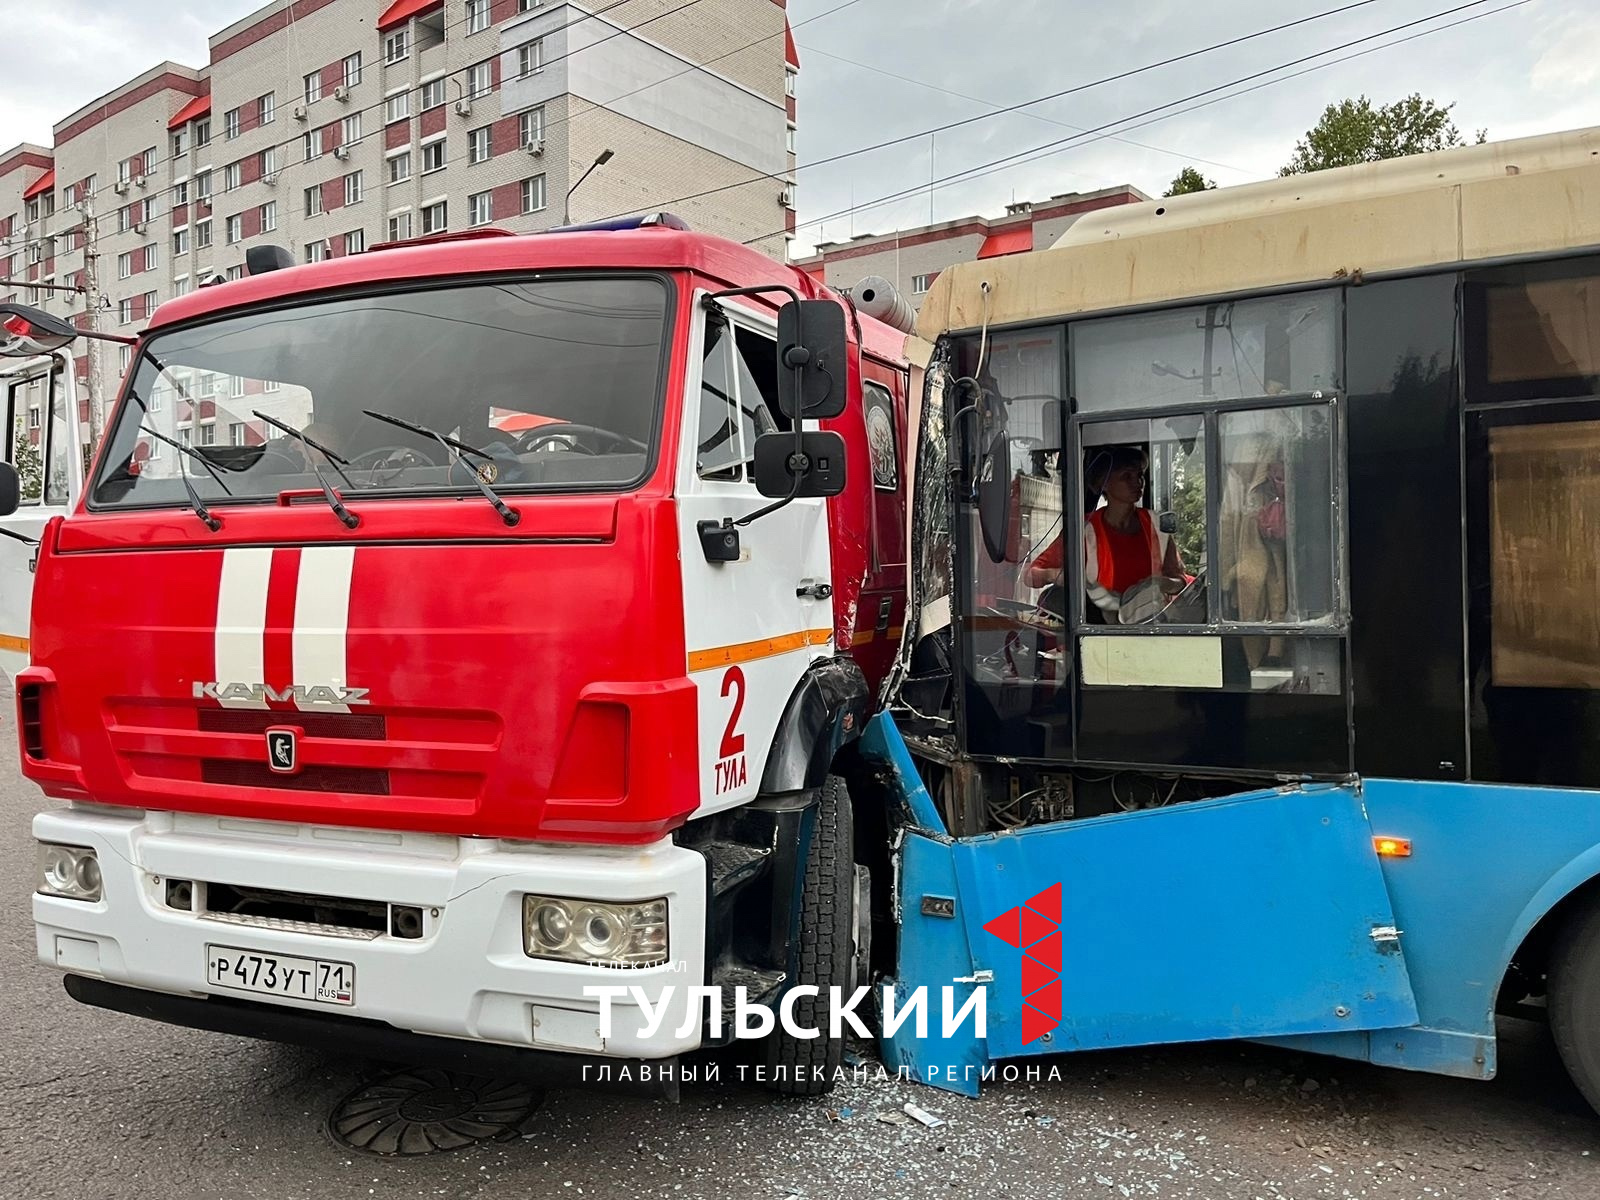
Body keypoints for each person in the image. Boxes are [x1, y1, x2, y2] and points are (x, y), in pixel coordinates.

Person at [1023, 445, 1187, 617]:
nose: (1137, 482)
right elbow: (1030, 575)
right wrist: (1056, 575)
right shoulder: (1083, 530)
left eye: (1139, 475)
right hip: (1100, 629)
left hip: (1152, 623)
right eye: (1126, 476)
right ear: (1104, 483)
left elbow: (1181, 580)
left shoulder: (1156, 524)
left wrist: (1161, 584)